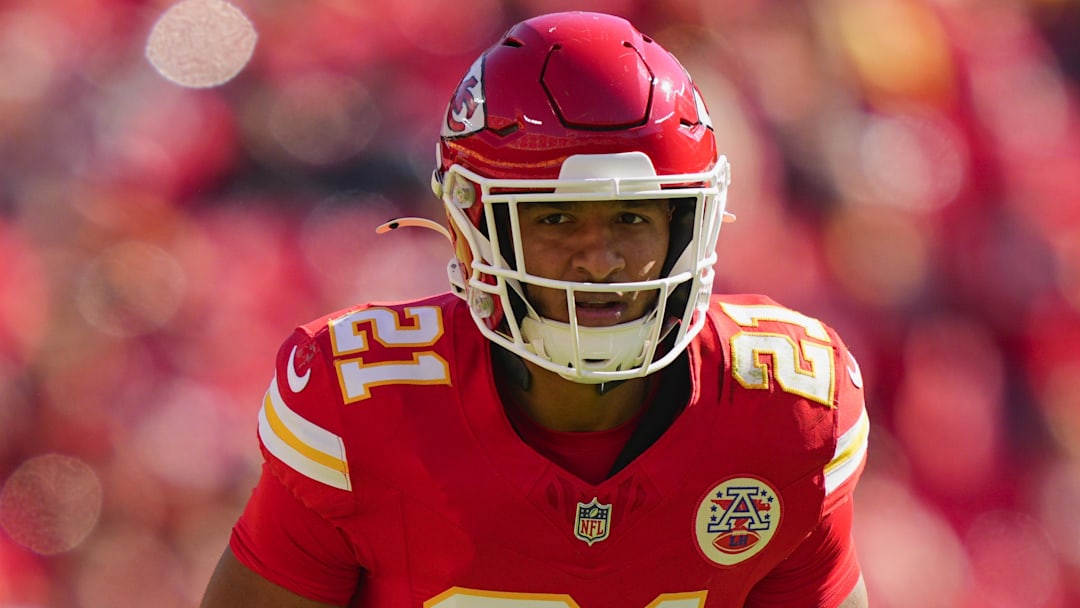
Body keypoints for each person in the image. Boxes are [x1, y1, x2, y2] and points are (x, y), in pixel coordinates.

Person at [200, 11, 870, 608]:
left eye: (632, 216)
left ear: (687, 223)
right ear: (475, 226)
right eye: (554, 218)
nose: (599, 259)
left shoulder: (784, 413)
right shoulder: (363, 412)